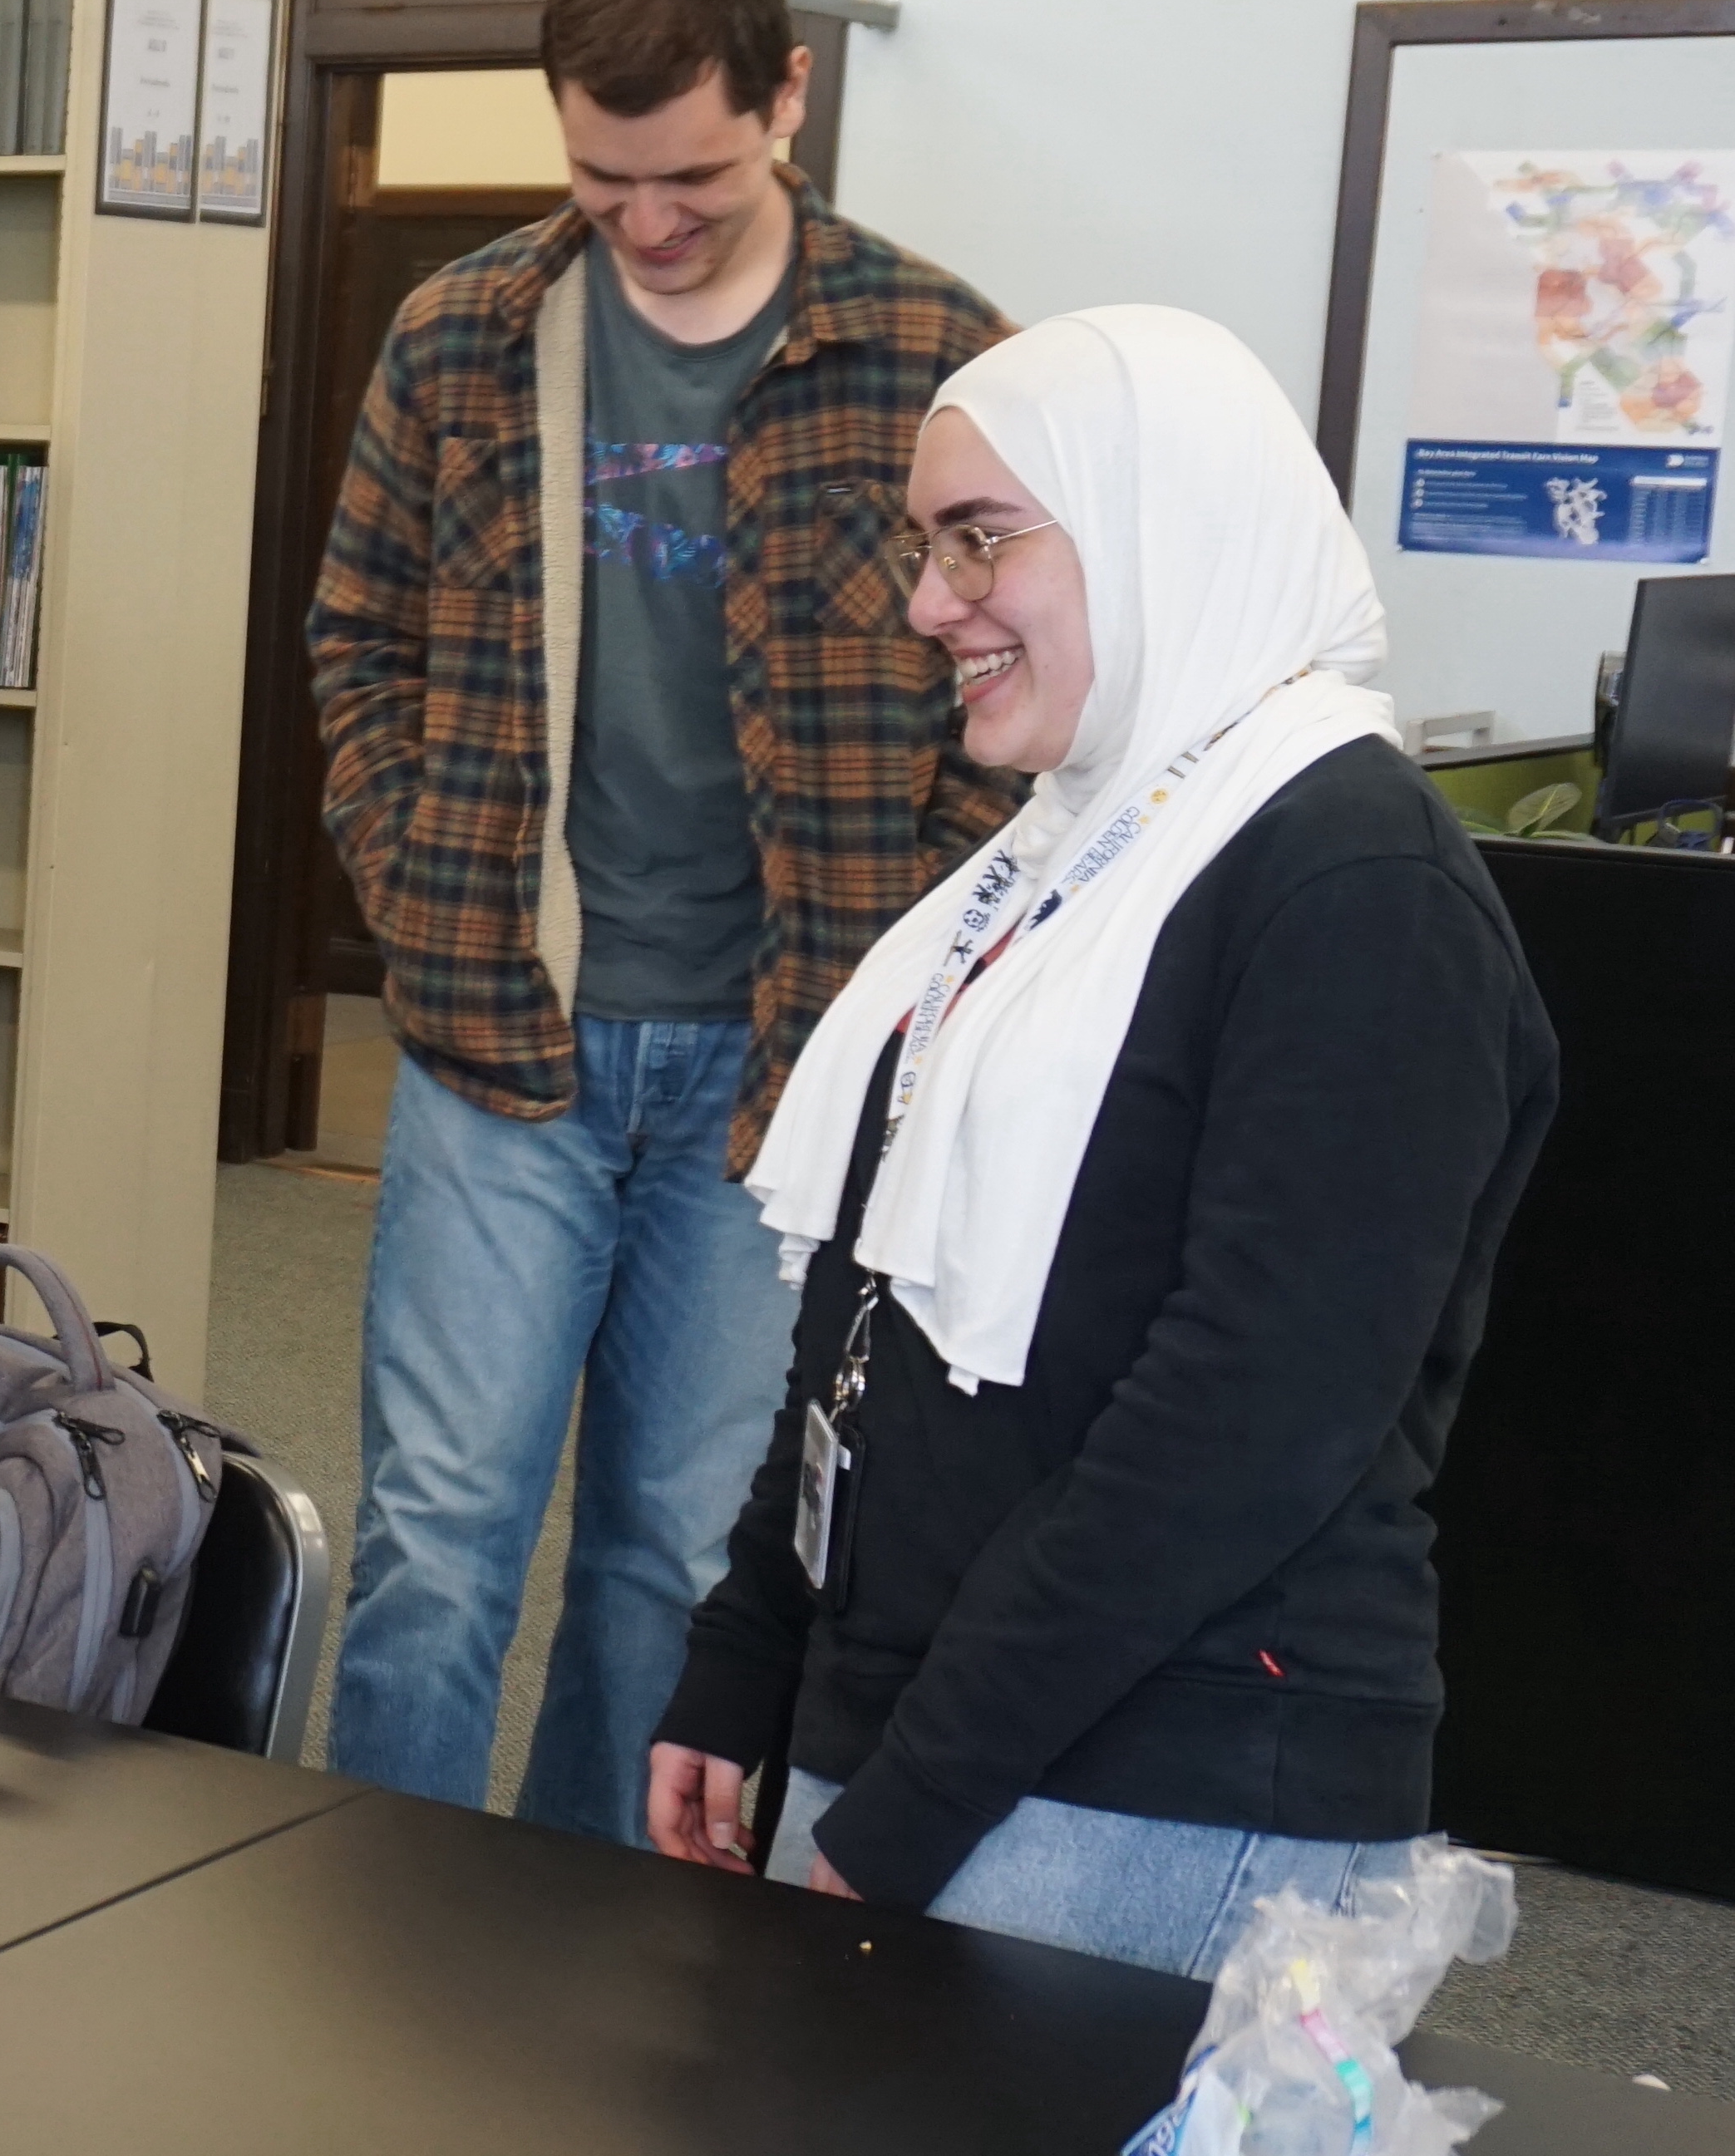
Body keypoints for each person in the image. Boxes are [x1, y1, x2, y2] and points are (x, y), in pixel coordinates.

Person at [643, 307, 1557, 1973]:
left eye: (981, 539)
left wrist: (913, 1784)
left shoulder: (1359, 887)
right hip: (943, 1737)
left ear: (1157, 522)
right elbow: (870, 1301)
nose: (929, 602)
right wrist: (753, 1648)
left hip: (1154, 1775)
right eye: (925, 548)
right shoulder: (1049, 869)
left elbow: (1241, 1425)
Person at [304, 0, 1013, 1840]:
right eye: (604, 177)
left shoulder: (933, 354)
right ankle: (374, 1938)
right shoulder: (464, 332)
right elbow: (352, 639)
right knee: (438, 1536)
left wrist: (913, 952)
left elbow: (1014, 687)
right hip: (499, 1038)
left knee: (671, 1556)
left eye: (693, 175)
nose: (651, 221)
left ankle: (582, 1952)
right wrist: (410, 876)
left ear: (788, 96)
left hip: (775, 1066)